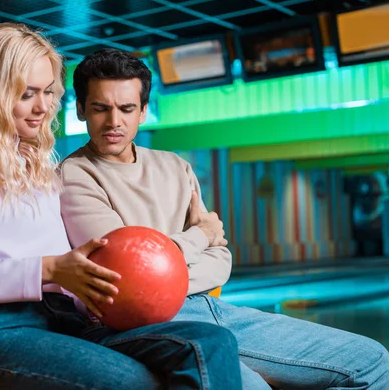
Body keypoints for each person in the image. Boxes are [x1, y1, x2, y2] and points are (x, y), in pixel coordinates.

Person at [0, 23, 243, 390]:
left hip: (68, 320)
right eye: (26, 94)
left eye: (48, 92)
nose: (43, 107)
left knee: (210, 342)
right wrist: (50, 270)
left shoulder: (33, 159)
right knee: (134, 382)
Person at [59, 48, 389, 390]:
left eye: (127, 109)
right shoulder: (74, 176)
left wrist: (169, 265)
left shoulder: (174, 166)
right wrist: (200, 236)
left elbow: (221, 260)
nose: (114, 122)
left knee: (372, 361)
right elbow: (129, 278)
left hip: (209, 306)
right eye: (100, 108)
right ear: (81, 109)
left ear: (143, 111)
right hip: (143, 325)